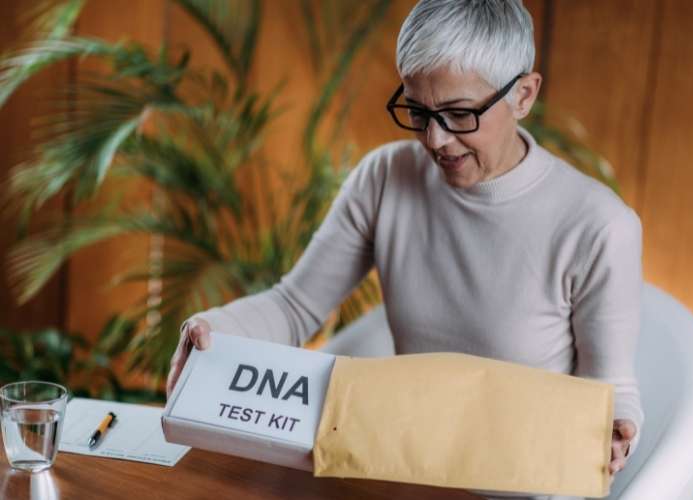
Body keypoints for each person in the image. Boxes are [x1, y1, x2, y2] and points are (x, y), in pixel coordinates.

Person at [166, 1, 643, 499]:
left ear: (524, 95)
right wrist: (214, 329)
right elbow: (294, 306)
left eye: (459, 114)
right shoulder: (386, 177)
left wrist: (617, 429)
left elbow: (613, 391)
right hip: (403, 475)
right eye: (418, 111)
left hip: (517, 490)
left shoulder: (598, 225)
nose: (435, 140)